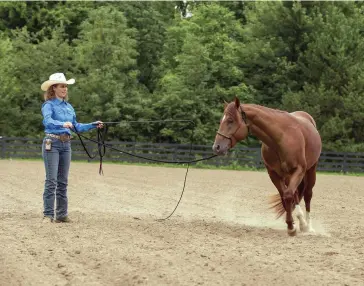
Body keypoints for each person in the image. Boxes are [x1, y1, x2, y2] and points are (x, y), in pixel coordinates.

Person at [40, 73, 103, 223]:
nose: (65, 89)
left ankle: (61, 215)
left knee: (63, 181)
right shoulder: (48, 105)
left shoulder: (69, 108)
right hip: (52, 143)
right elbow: (47, 121)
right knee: (51, 180)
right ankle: (48, 215)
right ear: (54, 88)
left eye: (66, 87)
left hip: (66, 145)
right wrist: (62, 124)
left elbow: (76, 126)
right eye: (62, 86)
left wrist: (93, 125)